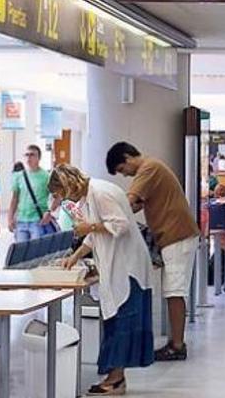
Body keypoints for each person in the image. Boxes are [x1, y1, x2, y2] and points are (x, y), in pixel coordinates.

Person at [54, 165, 154, 396]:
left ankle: (116, 380)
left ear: (69, 185)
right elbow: (95, 234)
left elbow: (120, 225)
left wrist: (88, 226)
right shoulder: (91, 195)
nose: (64, 198)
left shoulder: (100, 193)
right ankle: (115, 377)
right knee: (114, 321)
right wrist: (75, 256)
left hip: (128, 268)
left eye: (62, 193)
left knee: (121, 322)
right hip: (118, 264)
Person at [105, 142, 200, 361]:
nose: (126, 175)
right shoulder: (153, 167)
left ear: (128, 158)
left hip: (177, 236)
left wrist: (103, 219)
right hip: (175, 236)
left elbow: (129, 202)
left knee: (174, 292)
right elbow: (138, 204)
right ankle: (175, 343)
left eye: (122, 170)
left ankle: (177, 346)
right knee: (172, 291)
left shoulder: (148, 168)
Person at [8, 145, 56, 242]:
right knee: (22, 254)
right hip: (21, 221)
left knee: (35, 254)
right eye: (27, 155)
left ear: (39, 158)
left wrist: (49, 212)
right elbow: (14, 199)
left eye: (32, 155)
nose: (29, 157)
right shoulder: (18, 176)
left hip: (38, 221)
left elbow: (57, 197)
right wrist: (10, 219)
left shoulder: (46, 176)